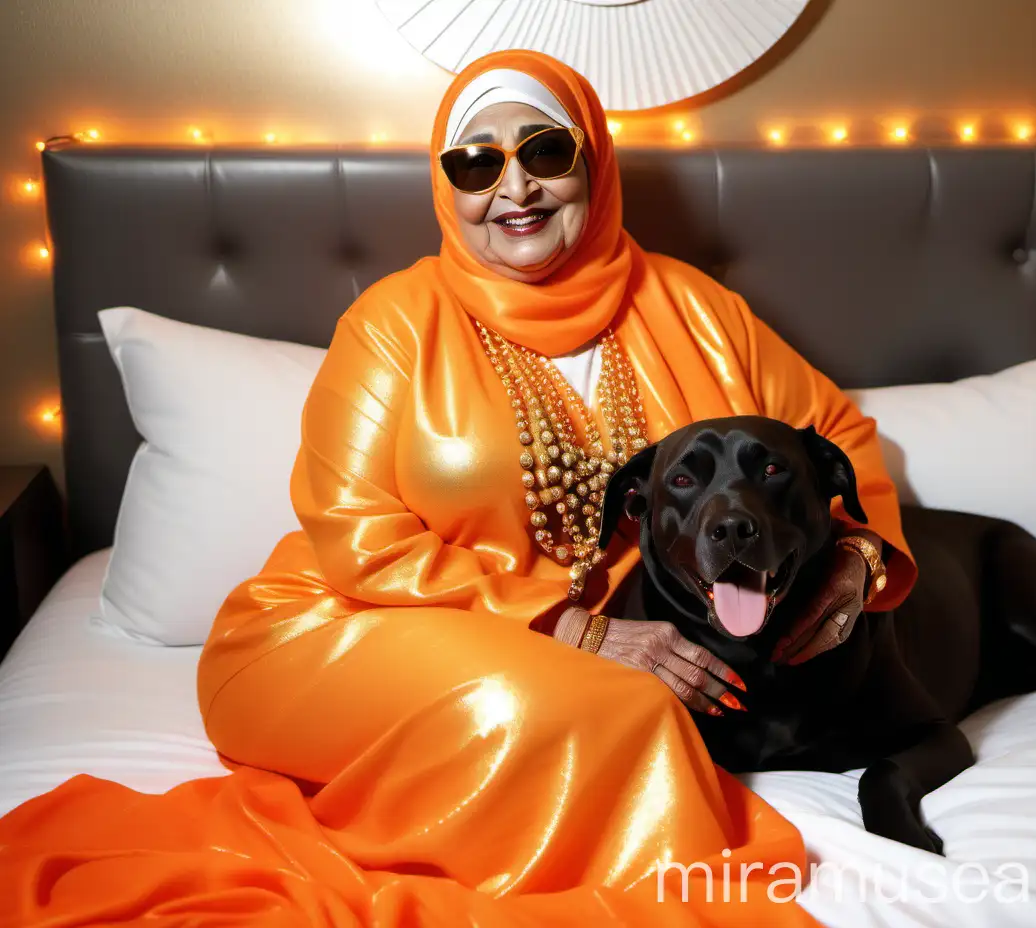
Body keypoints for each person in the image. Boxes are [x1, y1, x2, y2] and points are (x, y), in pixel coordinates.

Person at [0, 50, 915, 925]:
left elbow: (832, 434)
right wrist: (575, 625)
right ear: (447, 187)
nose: (512, 188)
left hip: (588, 645)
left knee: (612, 704)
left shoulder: (698, 310)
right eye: (476, 164)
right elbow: (356, 533)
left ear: (592, 164)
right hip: (354, 621)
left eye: (544, 152)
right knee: (599, 707)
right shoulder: (394, 322)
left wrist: (858, 557)